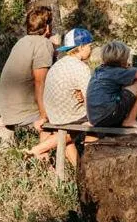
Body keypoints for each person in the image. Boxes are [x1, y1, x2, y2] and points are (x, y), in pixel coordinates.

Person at [25, 28, 95, 167]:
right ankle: (36, 150)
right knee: (80, 128)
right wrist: (92, 119)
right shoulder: (81, 68)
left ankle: (78, 170)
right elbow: (90, 97)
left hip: (53, 113)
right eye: (89, 46)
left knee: (66, 134)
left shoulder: (58, 64)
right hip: (66, 116)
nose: (91, 49)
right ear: (80, 47)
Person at [0, 6, 55, 147]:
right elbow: (40, 82)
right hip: (21, 110)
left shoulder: (21, 42)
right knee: (57, 119)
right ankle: (43, 157)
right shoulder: (43, 44)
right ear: (47, 27)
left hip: (5, 108)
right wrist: (44, 115)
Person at [86, 40, 137, 128]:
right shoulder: (118, 72)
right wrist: (130, 69)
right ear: (123, 58)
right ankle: (130, 119)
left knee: (126, 84)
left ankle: (125, 119)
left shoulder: (99, 70)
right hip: (108, 117)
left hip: (94, 119)